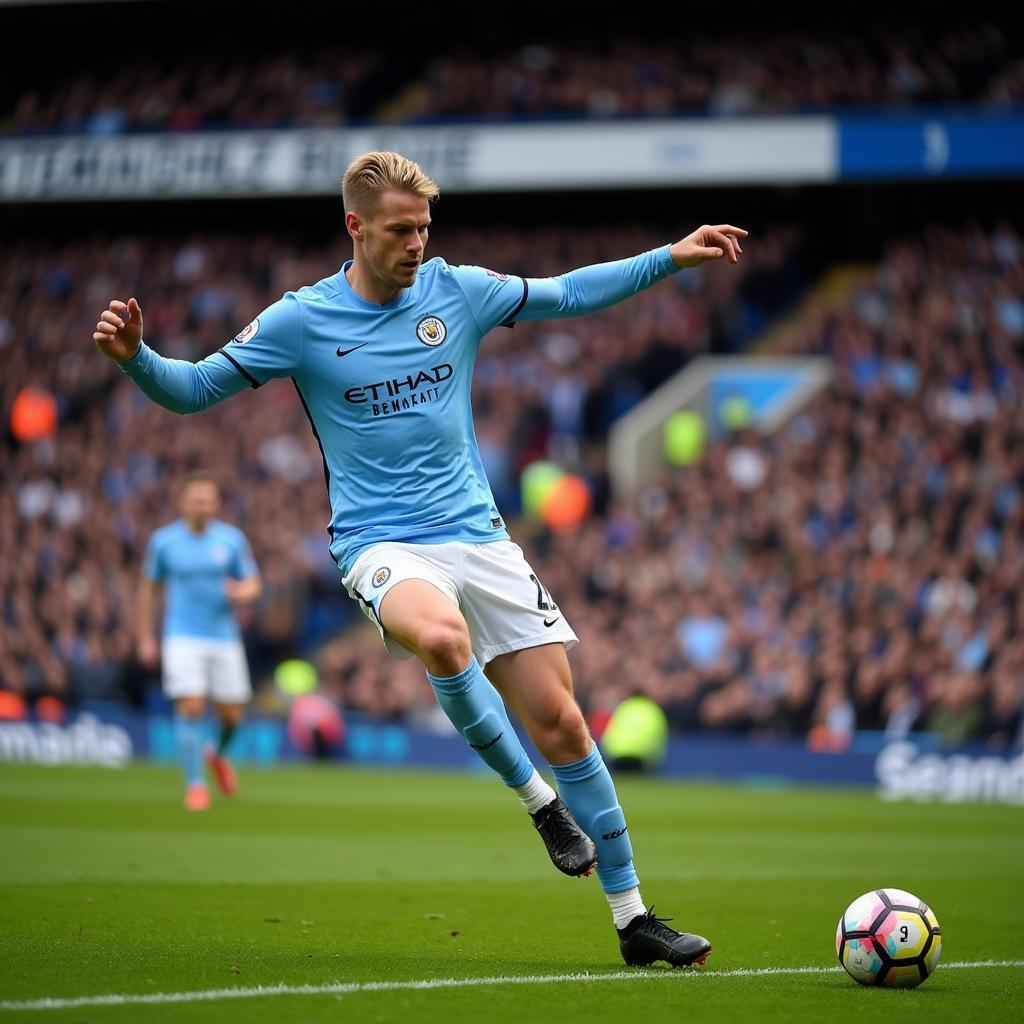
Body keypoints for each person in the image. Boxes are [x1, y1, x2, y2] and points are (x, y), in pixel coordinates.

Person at [94, 150, 747, 966]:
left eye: (425, 229)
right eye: (402, 231)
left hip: (482, 539)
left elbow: (570, 292)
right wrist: (135, 361)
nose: (417, 244)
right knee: (441, 640)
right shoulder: (302, 320)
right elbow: (191, 390)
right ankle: (538, 802)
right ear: (356, 228)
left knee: (567, 723)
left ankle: (634, 920)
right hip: (381, 543)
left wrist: (670, 257)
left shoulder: (457, 291)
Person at [138, 471, 262, 810]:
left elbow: (253, 582)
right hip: (181, 635)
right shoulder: (164, 542)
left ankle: (216, 755)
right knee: (191, 706)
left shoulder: (231, 540)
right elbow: (148, 589)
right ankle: (195, 786)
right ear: (183, 503)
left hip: (223, 637)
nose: (204, 506)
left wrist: (241, 592)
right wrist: (146, 637)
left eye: (209, 500)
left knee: (232, 717)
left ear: (217, 504)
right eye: (197, 500)